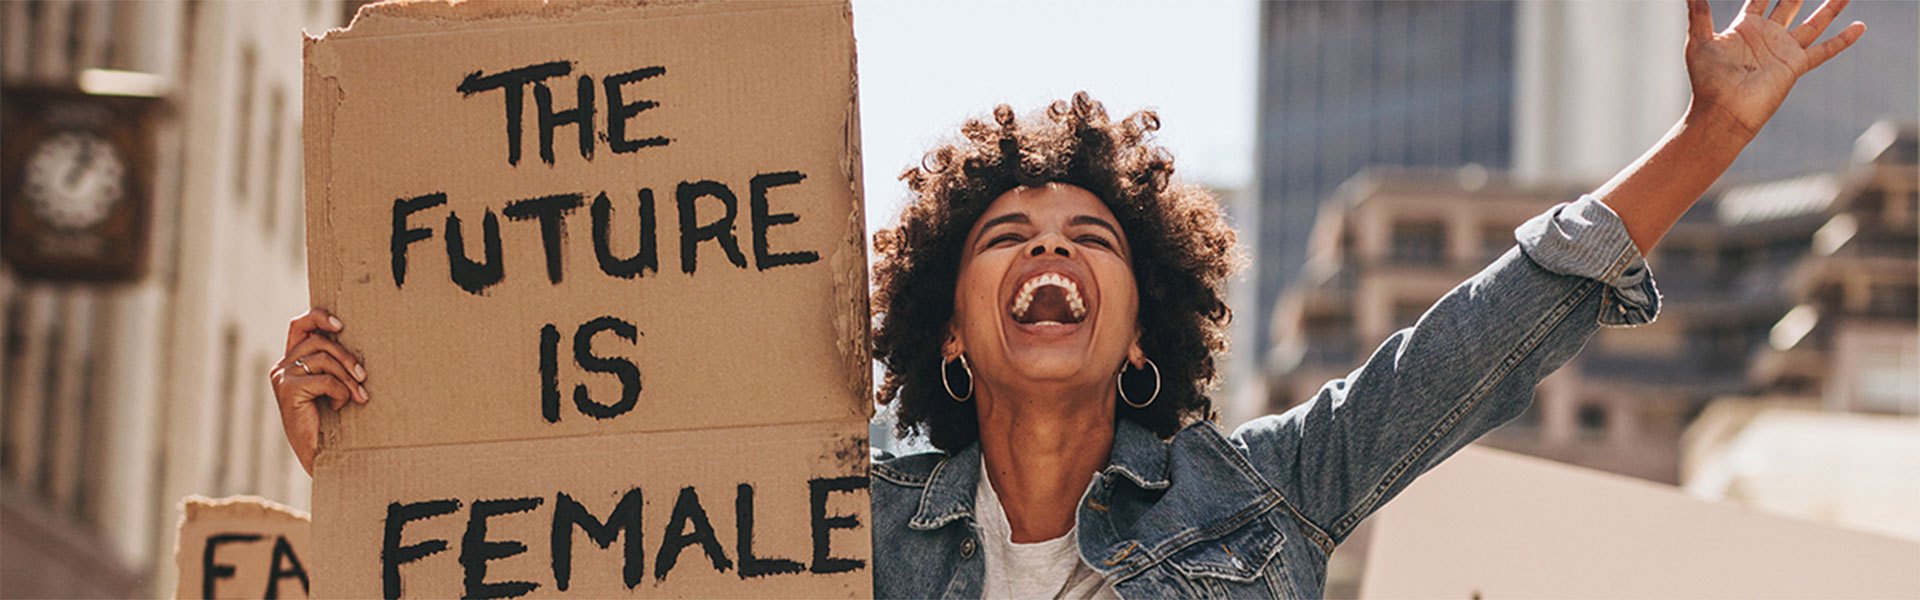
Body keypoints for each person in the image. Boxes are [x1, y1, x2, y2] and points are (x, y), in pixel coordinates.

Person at [271, 0, 1864, 597]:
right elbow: (567, 551)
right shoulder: (826, 526)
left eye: (1093, 239)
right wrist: (371, 456)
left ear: (1143, 315)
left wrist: (1708, 139)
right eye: (1008, 236)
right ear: (946, 326)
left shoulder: (1272, 498)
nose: (1050, 253)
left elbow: (1497, 324)